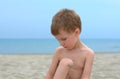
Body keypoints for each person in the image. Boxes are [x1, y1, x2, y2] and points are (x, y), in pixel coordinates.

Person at [45, 8, 94, 79]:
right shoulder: (59, 51)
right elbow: (50, 74)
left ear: (76, 32)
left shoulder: (88, 54)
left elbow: (86, 77)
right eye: (58, 40)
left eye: (64, 39)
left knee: (66, 62)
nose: (61, 43)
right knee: (65, 63)